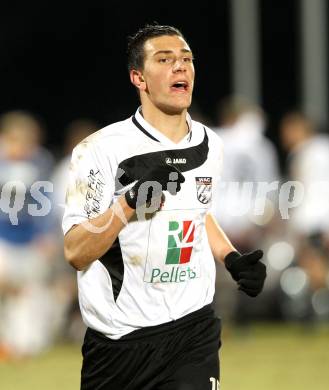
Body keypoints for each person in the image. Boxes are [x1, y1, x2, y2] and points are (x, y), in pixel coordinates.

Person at [63, 24, 266, 390]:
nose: (180, 67)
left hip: (193, 331)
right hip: (118, 345)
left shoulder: (211, 145)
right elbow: (76, 250)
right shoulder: (99, 150)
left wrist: (230, 257)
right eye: (165, 59)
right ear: (138, 77)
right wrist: (127, 206)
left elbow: (197, 211)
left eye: (186, 59)